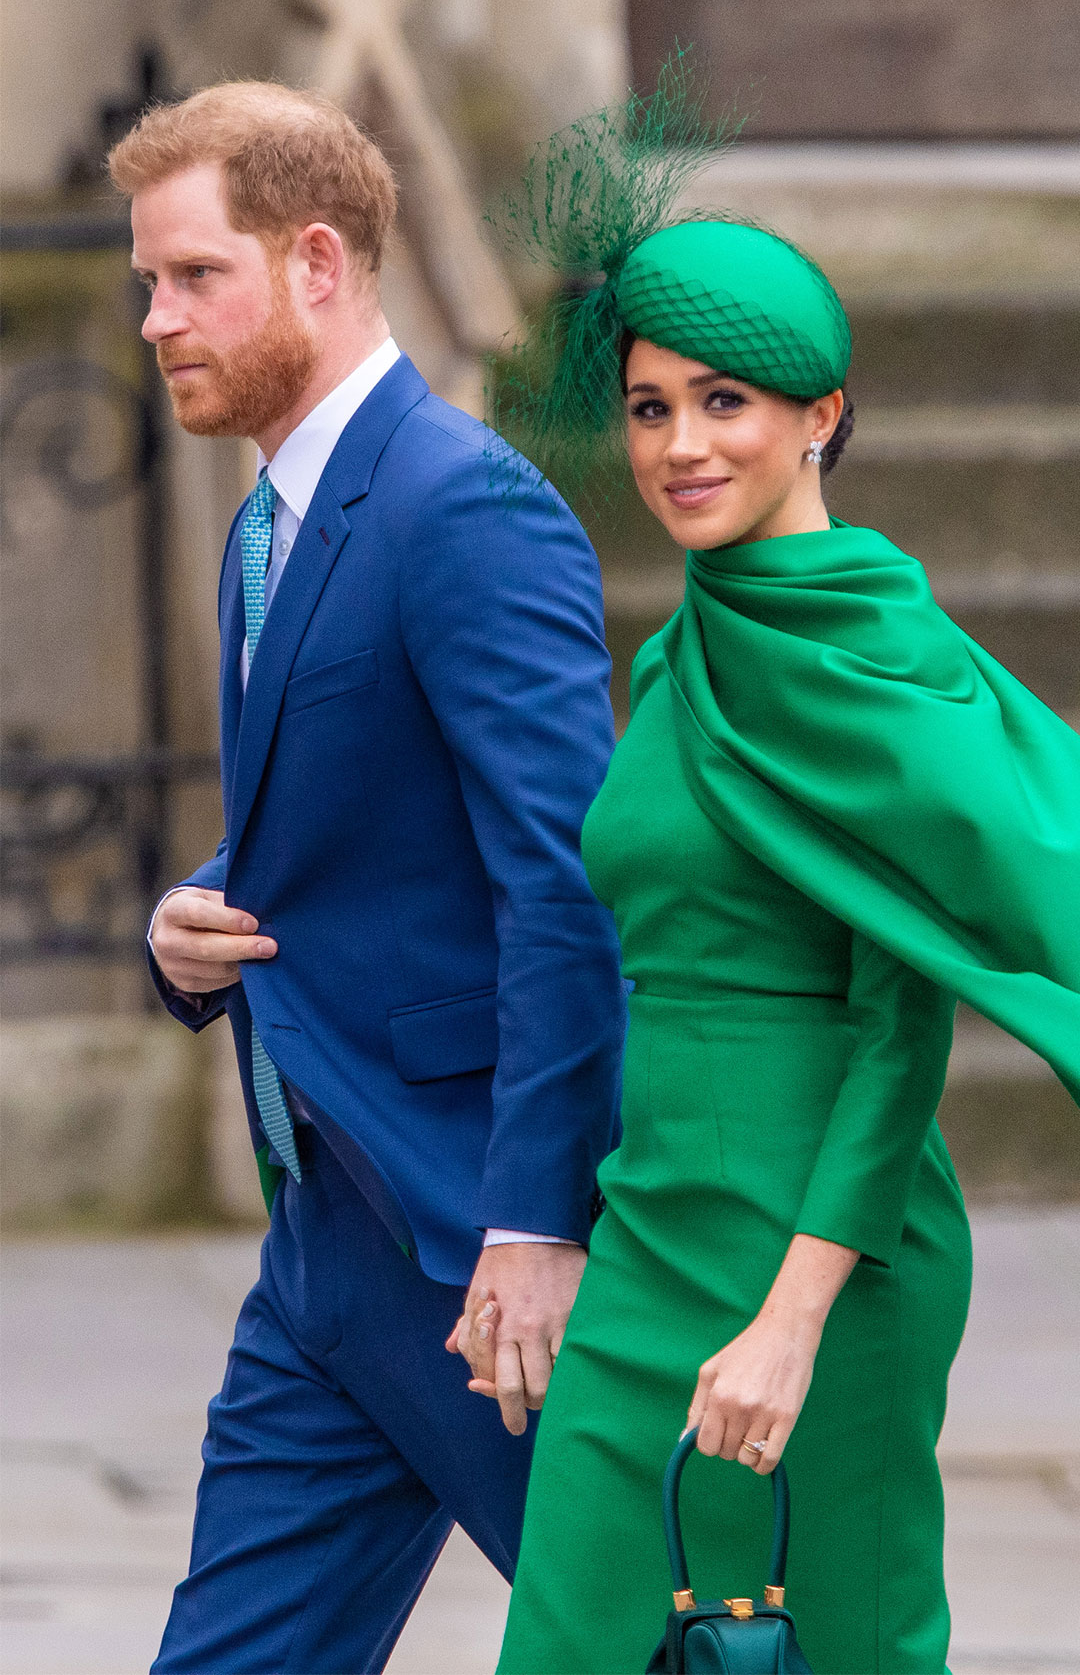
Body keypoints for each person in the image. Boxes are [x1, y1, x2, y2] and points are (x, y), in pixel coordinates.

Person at [462, 97, 1080, 1675]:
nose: (680, 446)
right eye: (650, 409)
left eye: (725, 401)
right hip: (650, 1228)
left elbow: (899, 1026)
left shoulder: (880, 663)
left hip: (822, 1255)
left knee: (830, 1645)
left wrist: (792, 1319)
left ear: (822, 416)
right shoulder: (678, 658)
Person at [108, 81, 626, 1673]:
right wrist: (186, 926)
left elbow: (565, 879)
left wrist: (536, 1223)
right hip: (323, 1258)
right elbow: (344, 821)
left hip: (474, 1260)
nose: (152, 319)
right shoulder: (269, 521)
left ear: (316, 263)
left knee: (672, 1644)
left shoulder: (463, 506)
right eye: (144, 282)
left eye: (193, 276)